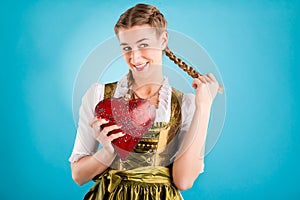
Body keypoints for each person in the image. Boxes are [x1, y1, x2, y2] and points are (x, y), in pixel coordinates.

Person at [69, 3, 220, 200]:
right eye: (126, 48)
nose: (135, 57)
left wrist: (204, 107)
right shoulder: (99, 95)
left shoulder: (185, 105)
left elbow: (184, 181)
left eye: (143, 45)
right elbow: (78, 175)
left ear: (163, 40)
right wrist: (107, 152)